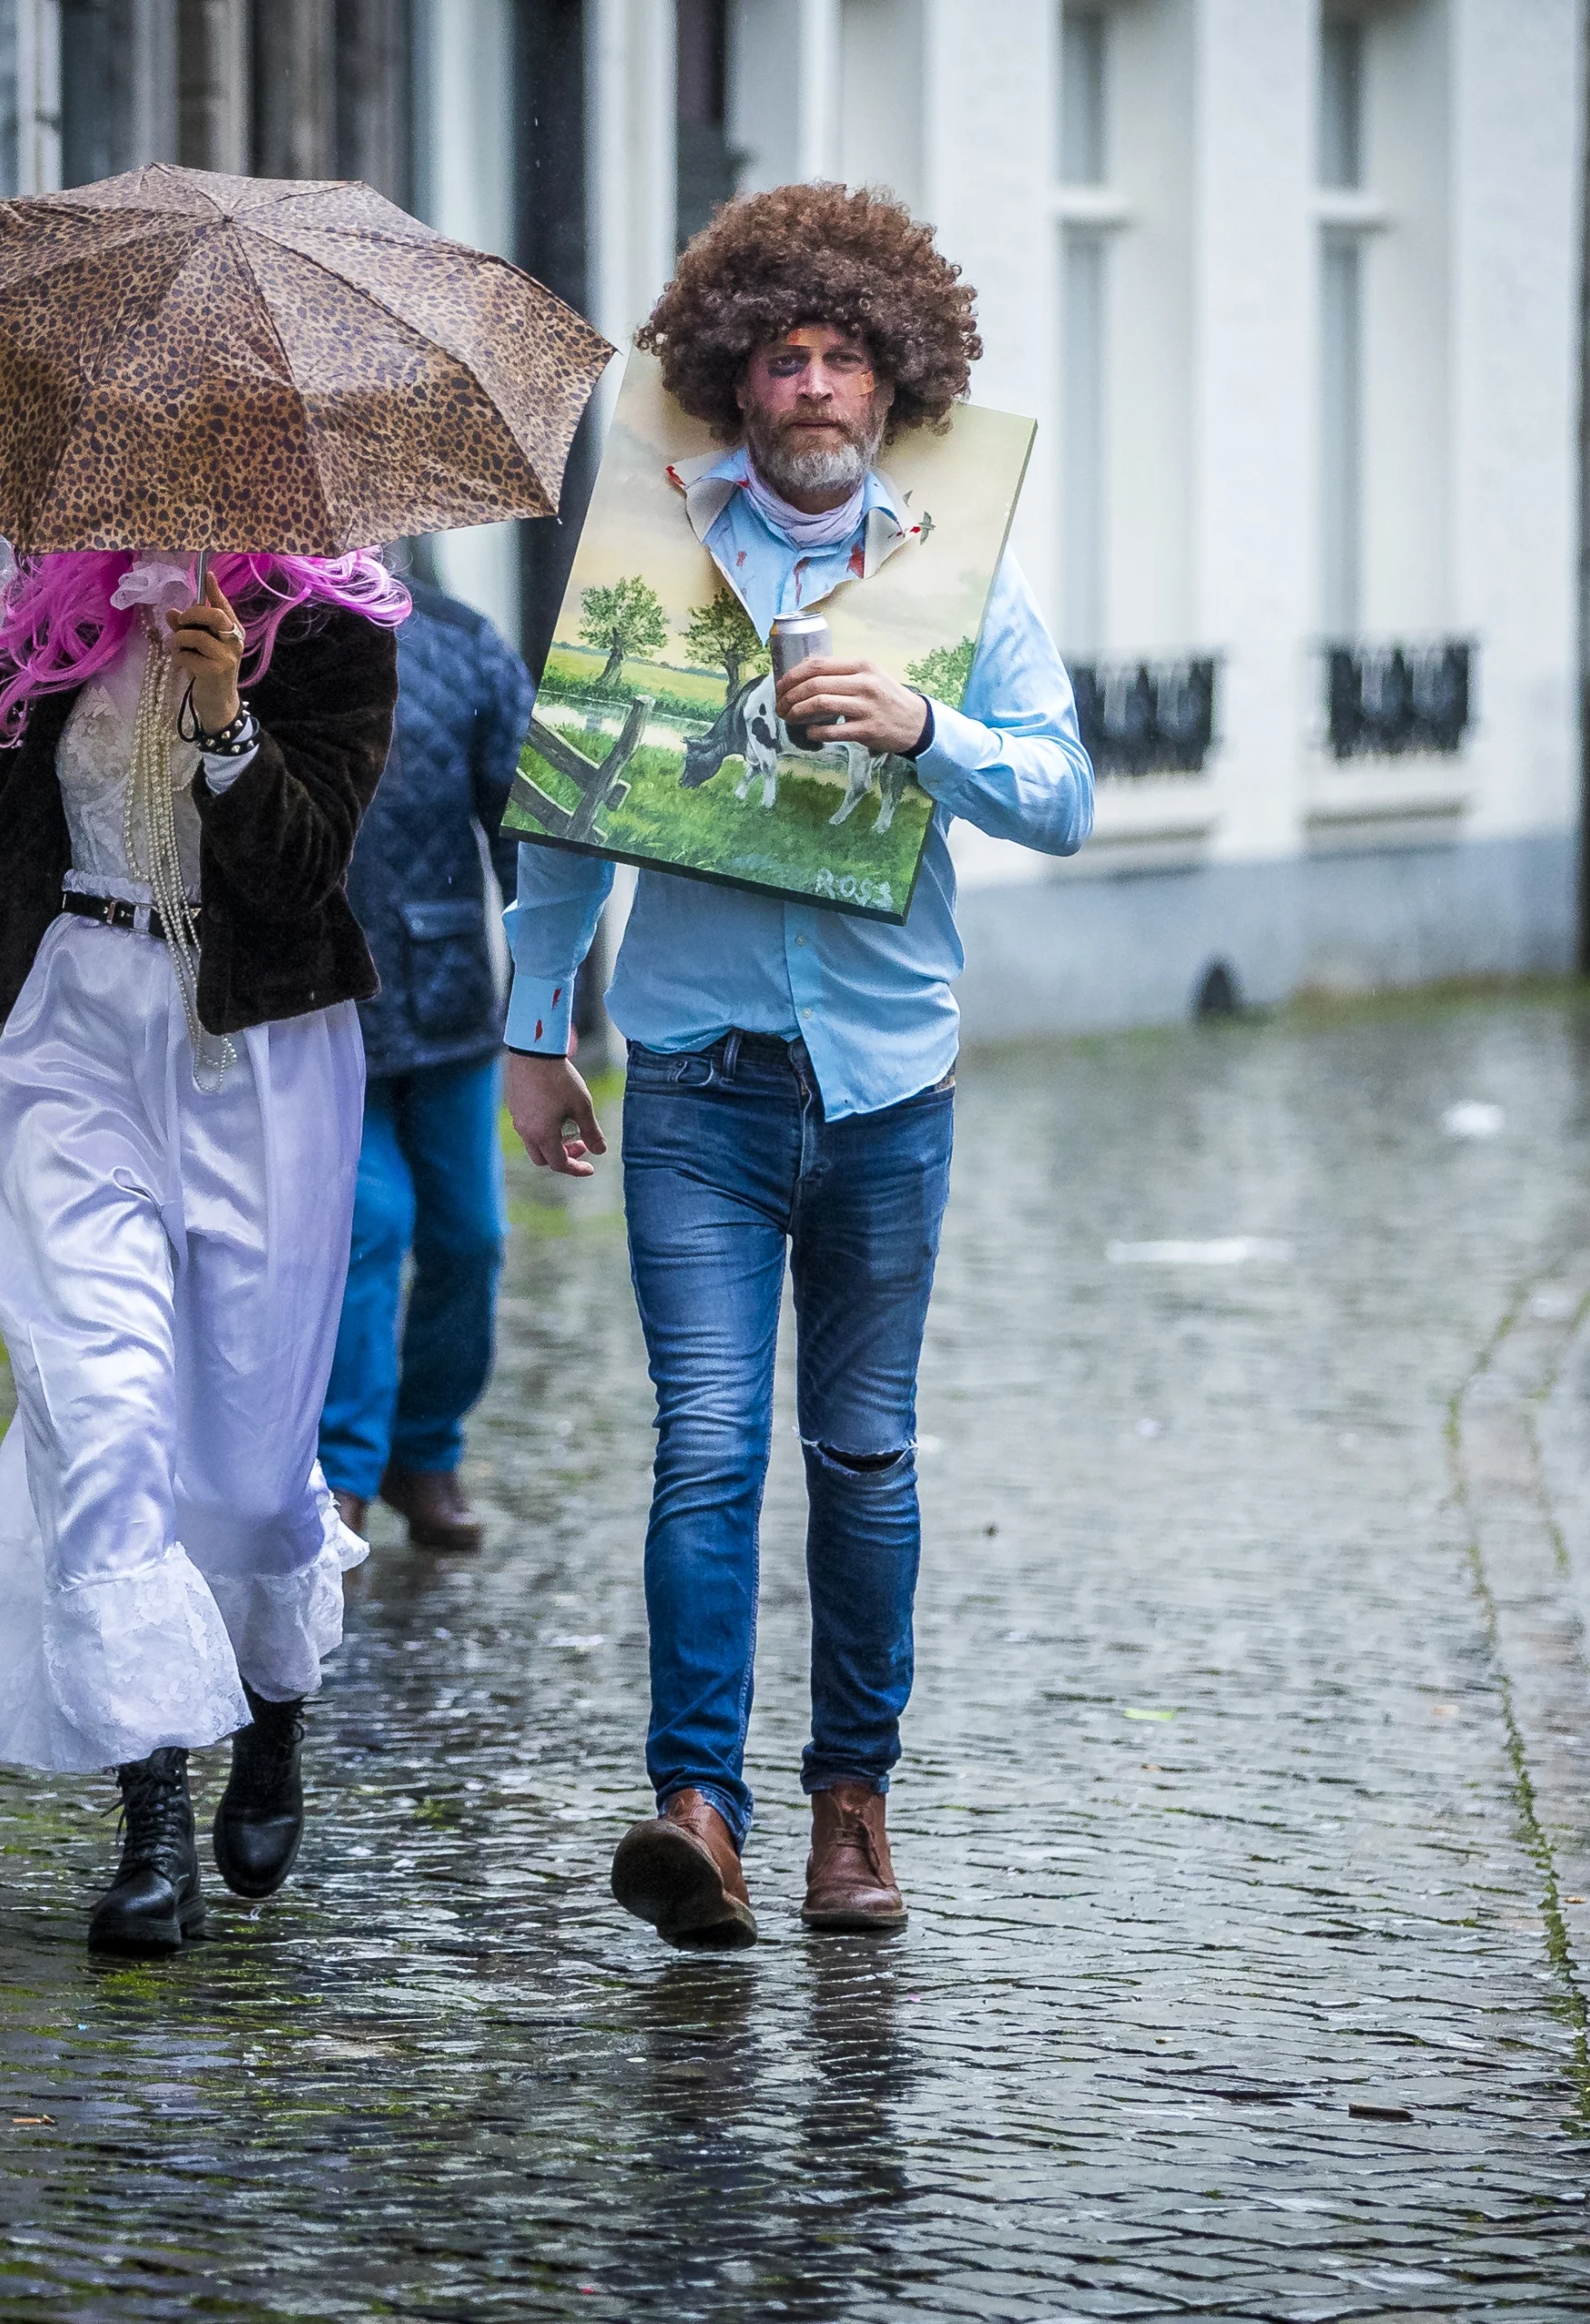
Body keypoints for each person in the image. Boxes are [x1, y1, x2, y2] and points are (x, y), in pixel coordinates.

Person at [499, 185, 1092, 1946]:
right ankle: (697, 1806)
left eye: (843, 357)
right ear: (736, 378)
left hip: (891, 1085)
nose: (815, 384)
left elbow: (1064, 797)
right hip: (694, 1077)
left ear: (893, 380)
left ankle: (852, 1809)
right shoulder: (654, 562)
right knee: (702, 1443)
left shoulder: (963, 577)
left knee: (863, 1454)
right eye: (784, 356)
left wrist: (931, 730)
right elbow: (565, 818)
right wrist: (540, 1039)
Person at [0, 544, 406, 1956]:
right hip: (77, 1034)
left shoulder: (330, 636)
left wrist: (230, 720)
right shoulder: (57, 627)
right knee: (101, 1419)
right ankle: (149, 1813)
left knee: (242, 1453)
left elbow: (306, 873)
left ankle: (273, 1702)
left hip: (261, 1050)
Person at [317, 577, 534, 1554]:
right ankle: (343, 1472)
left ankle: (425, 1449)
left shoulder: (461, 642)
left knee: (471, 1239)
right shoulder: (264, 632)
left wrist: (546, 999)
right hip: (320, 1010)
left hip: (447, 1000)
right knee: (368, 1226)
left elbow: (527, 829)